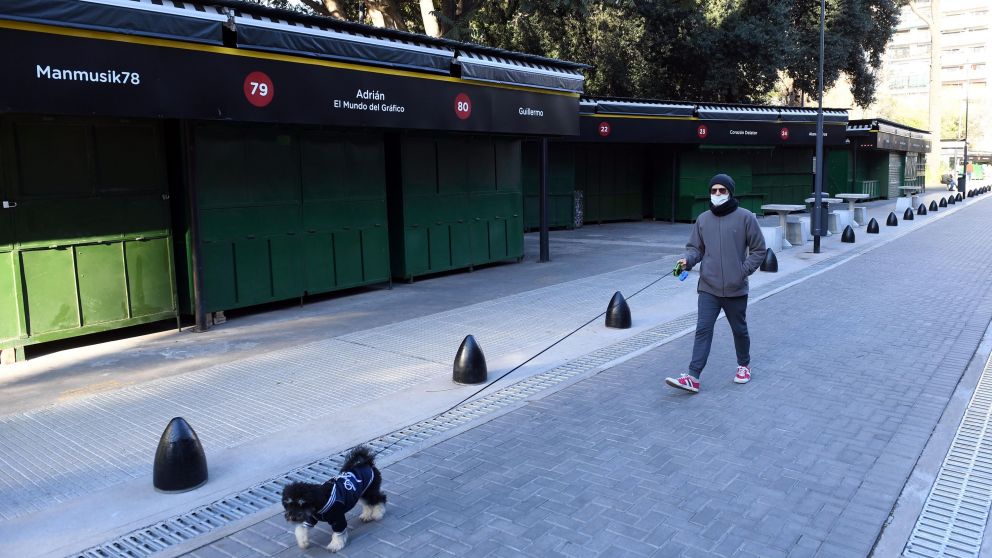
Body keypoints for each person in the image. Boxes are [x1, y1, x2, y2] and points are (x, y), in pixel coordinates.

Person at [665, 173, 767, 394]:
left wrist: (743, 271)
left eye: (722, 190)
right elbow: (695, 249)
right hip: (708, 287)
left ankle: (744, 366)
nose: (718, 194)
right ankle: (693, 377)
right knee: (703, 330)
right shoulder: (703, 219)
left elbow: (759, 250)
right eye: (714, 191)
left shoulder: (746, 217)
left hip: (735, 287)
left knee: (739, 330)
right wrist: (687, 260)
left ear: (730, 192)